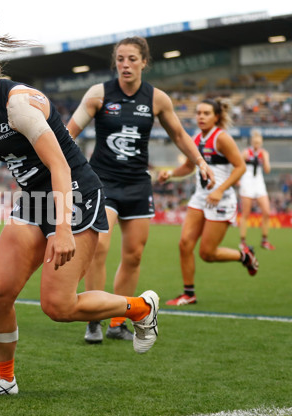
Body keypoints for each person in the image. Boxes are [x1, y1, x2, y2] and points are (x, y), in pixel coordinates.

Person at [0, 16, 159, 397]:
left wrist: (63, 228)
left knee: (59, 306)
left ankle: (139, 308)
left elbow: (60, 165)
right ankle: (5, 380)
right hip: (34, 200)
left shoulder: (18, 105)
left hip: (75, 193)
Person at [66, 36, 215, 343]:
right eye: (120, 59)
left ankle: (118, 320)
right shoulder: (98, 94)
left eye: (132, 59)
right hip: (102, 182)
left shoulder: (157, 99)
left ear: (144, 62)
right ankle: (94, 318)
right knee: (100, 248)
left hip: (137, 185)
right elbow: (68, 133)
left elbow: (179, 134)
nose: (125, 65)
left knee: (133, 255)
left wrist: (200, 161)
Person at [159, 98, 258, 306]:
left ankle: (244, 256)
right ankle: (189, 294)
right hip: (200, 197)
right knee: (184, 244)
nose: (201, 117)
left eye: (206, 113)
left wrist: (220, 190)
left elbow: (240, 167)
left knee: (207, 253)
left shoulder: (222, 138)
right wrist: (170, 174)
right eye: (198, 113)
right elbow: (188, 166)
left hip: (221, 200)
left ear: (216, 117)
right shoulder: (195, 138)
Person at [238, 129, 275, 250]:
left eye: (258, 142)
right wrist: (237, 179)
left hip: (259, 183)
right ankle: (242, 241)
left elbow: (267, 170)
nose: (256, 144)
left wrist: (265, 159)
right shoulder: (245, 152)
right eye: (255, 142)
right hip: (247, 182)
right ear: (251, 141)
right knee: (246, 213)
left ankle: (264, 240)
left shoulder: (264, 153)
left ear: (261, 143)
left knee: (266, 212)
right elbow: (238, 165)